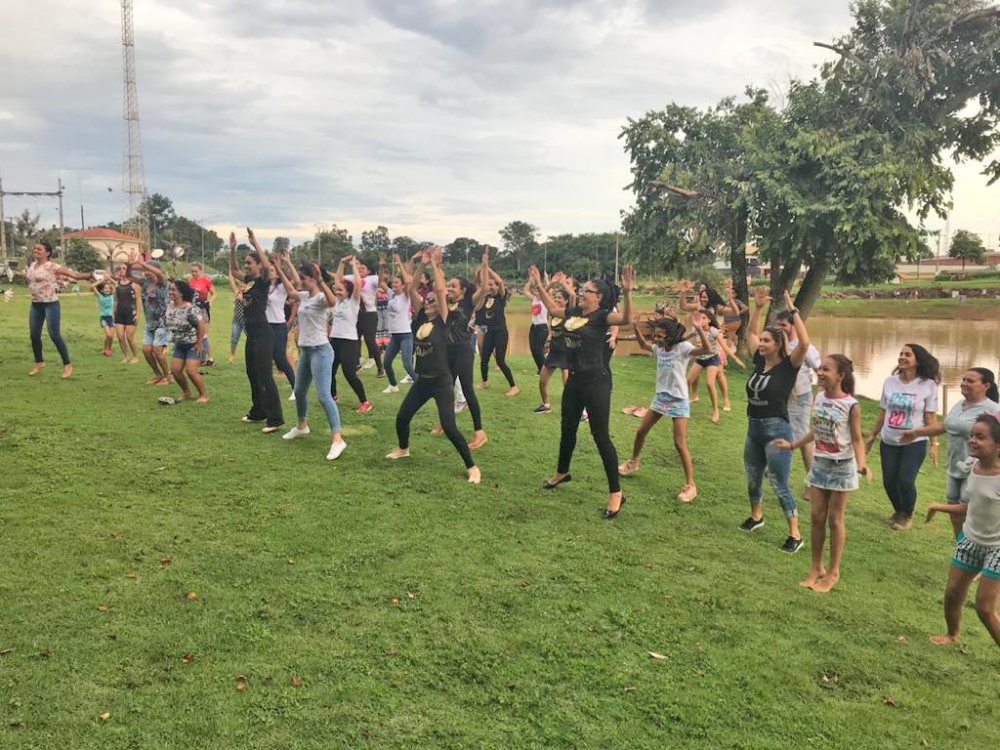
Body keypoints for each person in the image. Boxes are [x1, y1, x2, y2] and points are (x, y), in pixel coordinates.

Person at [771, 355, 872, 592]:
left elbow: (857, 439)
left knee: (835, 519)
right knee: (817, 517)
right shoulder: (820, 397)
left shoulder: (851, 405)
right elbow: (816, 430)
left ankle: (833, 572)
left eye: (826, 369)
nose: (820, 371)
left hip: (841, 467)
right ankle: (816, 567)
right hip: (820, 465)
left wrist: (862, 464)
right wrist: (793, 445)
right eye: (820, 368)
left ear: (841, 376)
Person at [541, 265, 635, 518]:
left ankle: (616, 493)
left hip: (597, 380)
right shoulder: (573, 312)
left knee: (600, 435)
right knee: (567, 426)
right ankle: (562, 472)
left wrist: (627, 292)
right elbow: (551, 309)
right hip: (575, 379)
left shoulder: (603, 316)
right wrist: (540, 285)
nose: (582, 293)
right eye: (582, 289)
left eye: (588, 291)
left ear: (599, 297)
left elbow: (625, 319)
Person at [386, 248, 481, 484]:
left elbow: (439, 291)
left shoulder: (445, 320)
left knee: (449, 426)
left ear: (440, 305)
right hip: (422, 380)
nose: (427, 302)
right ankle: (403, 448)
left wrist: (436, 266)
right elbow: (411, 288)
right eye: (425, 300)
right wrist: (421, 265)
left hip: (441, 381)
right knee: (402, 417)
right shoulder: (420, 318)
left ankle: (472, 467)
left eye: (432, 301)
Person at [739, 288, 813, 553]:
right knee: (752, 476)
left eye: (767, 341)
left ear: (778, 344)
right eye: (762, 340)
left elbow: (804, 343)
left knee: (779, 483)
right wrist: (757, 309)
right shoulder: (759, 363)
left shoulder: (788, 367)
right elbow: (749, 334)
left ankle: (795, 534)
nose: (761, 344)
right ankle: (756, 517)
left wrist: (793, 309)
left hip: (777, 430)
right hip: (754, 428)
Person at [618, 311, 712, 502]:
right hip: (661, 397)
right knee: (640, 431)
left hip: (678, 400)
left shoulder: (683, 348)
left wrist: (700, 329)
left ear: (670, 336)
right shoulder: (659, 348)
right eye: (656, 336)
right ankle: (634, 462)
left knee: (679, 443)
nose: (657, 340)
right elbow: (644, 345)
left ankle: (691, 485)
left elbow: (706, 349)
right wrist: (636, 328)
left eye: (661, 336)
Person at [926, 414, 1000, 648]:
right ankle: (952, 634)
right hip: (970, 540)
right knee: (952, 594)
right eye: (972, 435)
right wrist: (940, 507)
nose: (972, 440)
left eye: (980, 437)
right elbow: (972, 505)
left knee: (984, 608)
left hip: (997, 548)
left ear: (997, 446)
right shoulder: (974, 467)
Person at [900, 368, 999, 537]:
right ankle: (960, 549)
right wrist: (916, 432)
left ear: (986, 386)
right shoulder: (959, 405)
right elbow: (945, 426)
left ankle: (975, 549)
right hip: (953, 468)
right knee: (955, 515)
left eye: (970, 381)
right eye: (963, 379)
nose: (964, 383)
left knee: (969, 514)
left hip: (977, 470)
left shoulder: (992, 411)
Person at [865, 343, 941, 531]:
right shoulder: (890, 382)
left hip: (914, 442)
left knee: (905, 479)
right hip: (889, 440)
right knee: (889, 481)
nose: (902, 357)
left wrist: (934, 444)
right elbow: (883, 412)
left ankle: (906, 514)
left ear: (918, 360)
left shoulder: (928, 385)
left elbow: (930, 416)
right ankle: (899, 511)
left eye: (908, 354)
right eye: (901, 353)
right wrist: (873, 435)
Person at [279, 260, 347, 460]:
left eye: (302, 278)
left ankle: (337, 439)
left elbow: (332, 301)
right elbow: (290, 291)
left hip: (321, 351)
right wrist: (281, 265)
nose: (299, 281)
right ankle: (302, 426)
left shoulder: (320, 298)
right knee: (299, 391)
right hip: (306, 352)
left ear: (312, 278)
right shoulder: (303, 296)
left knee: (324, 395)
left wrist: (321, 281)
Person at [229, 229, 284, 433]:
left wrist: (255, 243)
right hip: (251, 334)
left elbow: (268, 266)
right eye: (246, 262)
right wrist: (233, 249)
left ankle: (275, 418)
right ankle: (258, 411)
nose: (246, 265)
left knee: (264, 375)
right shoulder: (249, 281)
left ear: (258, 266)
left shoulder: (262, 281)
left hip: (263, 332)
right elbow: (233, 270)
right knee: (252, 373)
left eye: (249, 262)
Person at [14, 240, 93, 379]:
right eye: (35, 248)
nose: (35, 250)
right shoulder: (32, 265)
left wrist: (89, 275)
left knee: (54, 334)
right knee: (34, 335)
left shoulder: (52, 266)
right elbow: (29, 278)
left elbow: (73, 275)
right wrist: (16, 273)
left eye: (39, 249)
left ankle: (67, 364)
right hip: (36, 304)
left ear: (48, 253)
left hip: (50, 304)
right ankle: (39, 362)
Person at [433, 259, 489, 448]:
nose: (449, 288)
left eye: (453, 286)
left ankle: (479, 432)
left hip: (463, 350)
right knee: (445, 388)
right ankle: (445, 423)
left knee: (467, 390)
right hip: (447, 351)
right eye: (448, 285)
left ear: (463, 290)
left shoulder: (468, 302)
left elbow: (484, 289)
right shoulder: (446, 303)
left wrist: (485, 267)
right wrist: (437, 265)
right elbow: (439, 288)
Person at [777, 309, 822, 494]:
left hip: (802, 398)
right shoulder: (780, 345)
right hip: (783, 399)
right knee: (778, 432)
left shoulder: (806, 348)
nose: (781, 329)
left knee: (803, 441)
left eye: (784, 325)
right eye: (778, 325)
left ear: (794, 325)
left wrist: (819, 399)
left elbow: (820, 372)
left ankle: (813, 484)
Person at [329, 255, 373, 413]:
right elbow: (337, 280)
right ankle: (333, 396)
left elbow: (358, 283)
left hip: (349, 342)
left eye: (341, 290)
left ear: (349, 291)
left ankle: (365, 402)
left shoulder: (353, 302)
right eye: (337, 290)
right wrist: (341, 262)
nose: (338, 292)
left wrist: (354, 265)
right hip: (335, 340)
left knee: (349, 373)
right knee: (329, 370)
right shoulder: (338, 302)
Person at [476, 251, 519, 396]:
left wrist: (487, 268)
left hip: (501, 332)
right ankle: (484, 381)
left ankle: (514, 386)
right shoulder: (486, 297)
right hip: (490, 332)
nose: (491, 287)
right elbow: (480, 283)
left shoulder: (501, 297)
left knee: (500, 360)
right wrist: (482, 269)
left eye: (492, 285)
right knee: (484, 359)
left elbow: (500, 282)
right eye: (489, 285)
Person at [531, 272, 573, 414]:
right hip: (554, 352)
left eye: (560, 298)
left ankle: (582, 412)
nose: (556, 299)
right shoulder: (553, 313)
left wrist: (564, 284)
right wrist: (549, 339)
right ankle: (546, 405)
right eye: (555, 297)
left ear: (566, 301)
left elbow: (573, 296)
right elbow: (544, 296)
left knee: (569, 386)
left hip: (566, 353)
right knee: (542, 382)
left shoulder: (569, 313)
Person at [128, 252, 172, 386]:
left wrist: (142, 263)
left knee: (157, 351)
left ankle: (168, 376)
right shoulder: (144, 282)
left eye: (148, 270)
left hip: (162, 323)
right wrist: (130, 266)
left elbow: (159, 274)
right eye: (144, 271)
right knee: (146, 351)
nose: (146, 273)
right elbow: (128, 276)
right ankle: (158, 375)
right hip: (150, 323)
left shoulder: (162, 282)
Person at [164, 279, 209, 403]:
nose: (170, 292)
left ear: (181, 293)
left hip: (195, 344)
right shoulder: (170, 305)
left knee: (191, 370)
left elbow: (201, 325)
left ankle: (204, 395)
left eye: (173, 290)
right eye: (170, 289)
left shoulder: (190, 308)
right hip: (180, 344)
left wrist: (199, 343)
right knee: (175, 371)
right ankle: (187, 392)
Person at [379, 255, 416, 393]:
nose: (393, 285)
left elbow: (407, 281)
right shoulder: (391, 295)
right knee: (386, 362)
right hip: (395, 336)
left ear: (402, 285)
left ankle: (421, 385)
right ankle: (393, 385)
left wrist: (399, 263)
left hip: (406, 335)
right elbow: (381, 282)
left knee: (407, 365)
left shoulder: (406, 296)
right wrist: (382, 265)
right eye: (393, 283)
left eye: (396, 283)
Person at [345, 258, 385, 376]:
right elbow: (338, 278)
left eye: (363, 268)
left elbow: (381, 281)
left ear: (369, 271)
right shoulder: (353, 278)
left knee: (370, 341)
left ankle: (380, 367)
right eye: (359, 267)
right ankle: (357, 363)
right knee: (354, 339)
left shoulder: (372, 279)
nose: (360, 269)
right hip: (356, 314)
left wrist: (381, 267)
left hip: (369, 314)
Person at [265, 259, 297, 395]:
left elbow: (296, 280)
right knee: (266, 357)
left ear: (278, 274)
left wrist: (288, 263)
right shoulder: (264, 286)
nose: (269, 272)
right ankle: (265, 389)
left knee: (280, 358)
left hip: (278, 326)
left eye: (272, 270)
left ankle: (296, 388)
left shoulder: (282, 287)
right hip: (265, 326)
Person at [188, 263, 216, 366]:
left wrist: (210, 301)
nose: (194, 273)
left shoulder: (206, 281)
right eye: (192, 271)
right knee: (195, 335)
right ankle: (200, 358)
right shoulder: (190, 281)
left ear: (200, 271)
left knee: (203, 335)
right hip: (193, 310)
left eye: (196, 271)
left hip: (203, 310)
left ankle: (210, 359)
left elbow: (214, 293)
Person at [112, 265, 141, 363]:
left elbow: (138, 299)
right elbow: (115, 299)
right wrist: (113, 313)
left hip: (131, 313)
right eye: (120, 269)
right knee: (120, 337)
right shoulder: (117, 284)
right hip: (119, 312)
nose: (122, 270)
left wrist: (138, 314)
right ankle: (126, 356)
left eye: (124, 268)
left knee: (129, 336)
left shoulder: (134, 284)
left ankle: (136, 356)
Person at [524, 274, 550, 373]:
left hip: (542, 327)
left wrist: (547, 279)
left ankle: (544, 369)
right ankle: (541, 369)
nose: (536, 292)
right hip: (533, 327)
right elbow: (526, 291)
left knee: (539, 349)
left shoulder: (545, 300)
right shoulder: (534, 299)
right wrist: (530, 281)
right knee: (533, 349)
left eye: (538, 290)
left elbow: (549, 289)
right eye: (535, 290)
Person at [90, 278, 116, 357]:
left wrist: (108, 278)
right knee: (108, 335)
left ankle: (108, 349)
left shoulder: (112, 295)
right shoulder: (100, 296)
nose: (107, 289)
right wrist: (102, 281)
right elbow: (93, 286)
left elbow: (115, 285)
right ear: (102, 290)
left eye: (108, 288)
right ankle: (106, 349)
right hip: (104, 318)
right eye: (105, 288)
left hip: (112, 318)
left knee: (111, 336)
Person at [227, 270, 245, 364]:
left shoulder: (250, 295)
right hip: (236, 321)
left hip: (247, 321)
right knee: (234, 338)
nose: (241, 288)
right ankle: (232, 355)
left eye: (243, 286)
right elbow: (232, 282)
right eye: (240, 286)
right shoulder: (237, 293)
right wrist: (231, 271)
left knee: (252, 340)